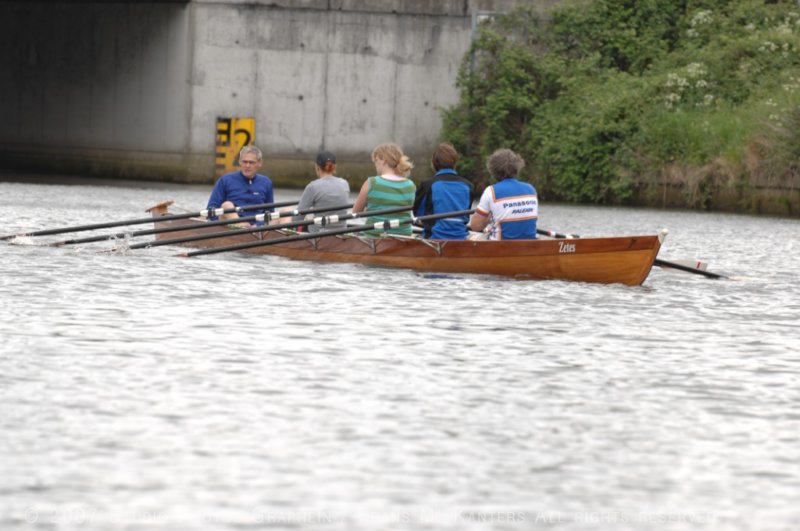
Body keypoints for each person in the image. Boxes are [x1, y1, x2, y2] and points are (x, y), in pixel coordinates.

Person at [468, 148, 538, 240]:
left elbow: (475, 226)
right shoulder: (531, 189)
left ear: (493, 170)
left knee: (470, 237)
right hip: (530, 248)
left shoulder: (491, 191)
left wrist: (490, 217)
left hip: (500, 249)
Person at [413, 143, 475, 240]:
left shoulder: (427, 185)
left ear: (433, 163)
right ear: (455, 163)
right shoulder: (468, 186)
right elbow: (465, 215)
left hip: (434, 239)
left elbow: (418, 214)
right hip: (461, 238)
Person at [352, 143, 416, 236]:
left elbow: (356, 212)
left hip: (374, 237)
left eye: (376, 160)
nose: (375, 164)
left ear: (383, 160)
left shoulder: (372, 182)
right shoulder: (410, 185)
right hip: (403, 237)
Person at [206, 145, 274, 223]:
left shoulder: (266, 182)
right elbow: (211, 209)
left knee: (287, 211)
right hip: (230, 225)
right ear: (239, 162)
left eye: (251, 163)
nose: (247, 166)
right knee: (227, 205)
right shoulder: (225, 180)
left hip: (257, 227)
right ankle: (241, 225)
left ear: (259, 163)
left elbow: (270, 212)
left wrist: (258, 225)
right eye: (244, 162)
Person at [295, 150, 351, 233]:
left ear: (317, 167)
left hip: (318, 234)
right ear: (334, 167)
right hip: (341, 232)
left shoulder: (313, 187)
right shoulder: (344, 183)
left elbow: (297, 218)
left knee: (285, 214)